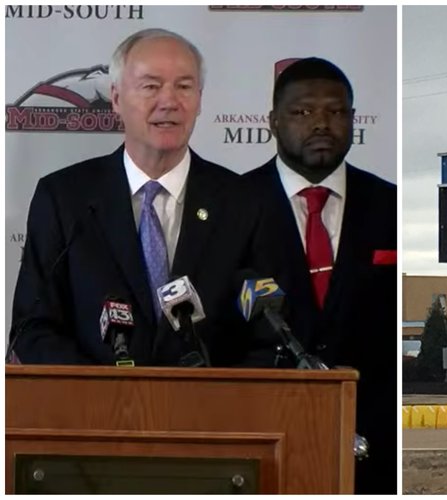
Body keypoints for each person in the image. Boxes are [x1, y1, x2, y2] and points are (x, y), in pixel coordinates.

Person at [10, 28, 253, 367]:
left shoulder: (243, 202)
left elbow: (266, 334)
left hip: (209, 414)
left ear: (199, 99)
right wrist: (107, 396)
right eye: (151, 86)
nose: (169, 101)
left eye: (184, 86)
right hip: (94, 413)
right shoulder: (64, 198)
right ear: (116, 98)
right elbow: (33, 328)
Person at [242, 57, 397, 494]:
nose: (321, 123)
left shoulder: (391, 206)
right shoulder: (230, 206)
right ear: (273, 121)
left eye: (336, 111)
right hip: (263, 442)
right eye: (303, 112)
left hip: (373, 450)